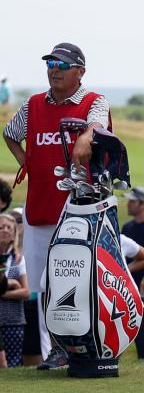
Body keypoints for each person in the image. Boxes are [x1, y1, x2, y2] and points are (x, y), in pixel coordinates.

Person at [2, 42, 110, 370]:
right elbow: (10, 133)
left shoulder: (94, 101)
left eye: (62, 64)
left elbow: (97, 126)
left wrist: (84, 136)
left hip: (79, 211)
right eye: (50, 63)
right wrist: (28, 162)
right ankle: (56, 351)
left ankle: (80, 346)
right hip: (38, 210)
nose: (54, 69)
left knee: (68, 282)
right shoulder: (34, 104)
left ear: (80, 71)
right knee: (41, 290)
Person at [0, 212, 28, 368]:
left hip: (13, 321)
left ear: (13, 234)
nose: (4, 230)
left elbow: (25, 292)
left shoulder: (18, 259)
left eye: (8, 228)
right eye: (1, 227)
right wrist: (12, 284)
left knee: (12, 364)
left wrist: (3, 292)